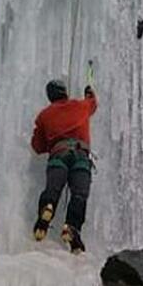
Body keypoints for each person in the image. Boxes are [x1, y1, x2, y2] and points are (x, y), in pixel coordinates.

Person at [29, 79, 98, 254]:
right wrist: (89, 93)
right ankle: (72, 227)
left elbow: (37, 146)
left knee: (53, 190)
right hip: (81, 155)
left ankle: (47, 208)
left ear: (50, 96)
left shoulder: (44, 115)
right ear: (65, 93)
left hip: (59, 154)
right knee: (79, 195)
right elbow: (93, 103)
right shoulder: (81, 106)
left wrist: (52, 141)